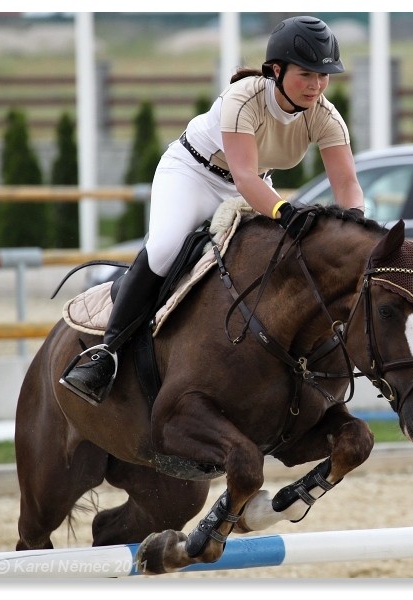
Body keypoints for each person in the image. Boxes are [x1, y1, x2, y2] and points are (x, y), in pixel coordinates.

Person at [60, 15, 364, 406]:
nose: (317, 85)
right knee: (167, 248)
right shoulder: (244, 98)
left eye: (324, 75)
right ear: (276, 70)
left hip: (252, 182)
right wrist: (285, 212)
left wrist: (356, 221)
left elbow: (347, 184)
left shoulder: (324, 114)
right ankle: (106, 354)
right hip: (192, 172)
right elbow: (244, 178)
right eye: (307, 74)